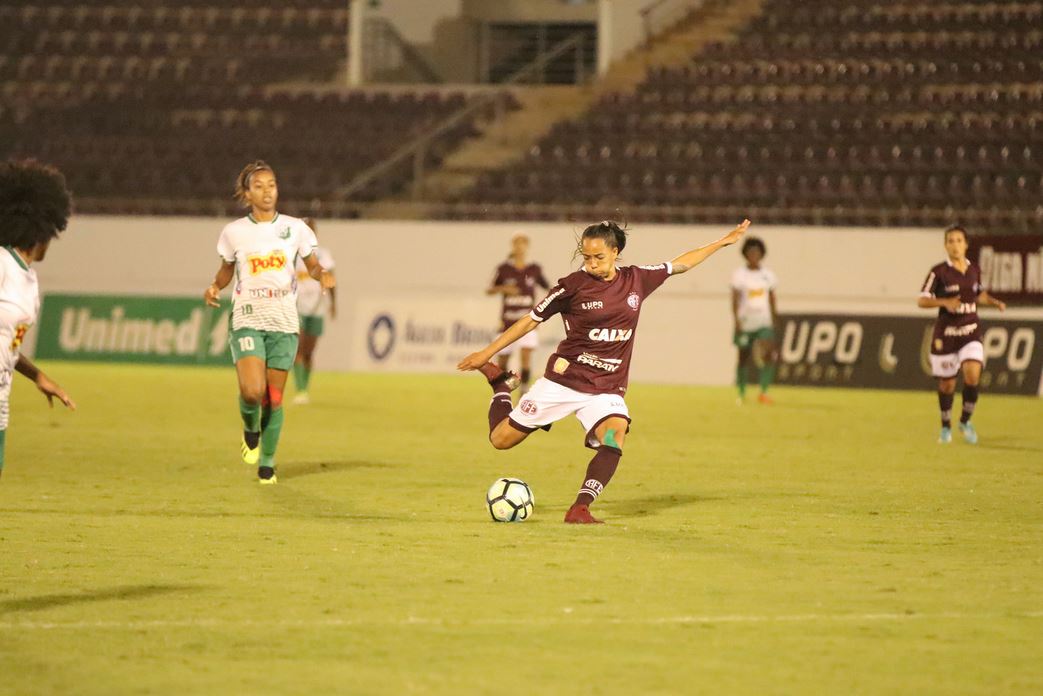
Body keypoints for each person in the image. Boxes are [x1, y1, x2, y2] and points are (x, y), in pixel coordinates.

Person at [459, 219, 751, 523]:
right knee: (501, 440)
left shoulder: (637, 279)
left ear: (616, 252)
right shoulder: (571, 286)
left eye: (599, 257)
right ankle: (500, 384)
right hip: (564, 381)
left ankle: (580, 508)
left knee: (615, 436)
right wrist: (487, 354)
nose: (592, 263)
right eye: (586, 257)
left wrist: (723, 242)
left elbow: (680, 264)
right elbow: (530, 320)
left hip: (607, 388)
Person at [203, 161, 335, 484]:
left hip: (283, 320)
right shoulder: (234, 232)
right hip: (248, 316)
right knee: (252, 391)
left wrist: (322, 275)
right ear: (247, 194)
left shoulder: (295, 229)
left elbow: (313, 265)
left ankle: (267, 463)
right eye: (259, 186)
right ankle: (250, 429)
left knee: (273, 398)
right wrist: (214, 286)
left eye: (272, 185)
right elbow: (226, 270)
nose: (267, 191)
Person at [0, 159, 77, 479]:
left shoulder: (27, 279)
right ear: (43, 230)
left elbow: (8, 343)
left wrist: (38, 376)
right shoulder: (2, 263)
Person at [918, 224, 1005, 445]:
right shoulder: (938, 272)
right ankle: (946, 426)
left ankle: (965, 421)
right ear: (946, 246)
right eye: (950, 241)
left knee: (972, 373)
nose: (954, 245)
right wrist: (944, 301)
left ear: (966, 244)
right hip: (946, 335)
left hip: (970, 331)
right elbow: (922, 300)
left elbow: (978, 294)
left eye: (958, 240)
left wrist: (992, 302)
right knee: (947, 385)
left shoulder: (973, 269)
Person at [486, 233, 549, 393]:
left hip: (527, 321)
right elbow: (490, 289)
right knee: (502, 361)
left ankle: (524, 391)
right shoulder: (503, 269)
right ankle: (503, 389)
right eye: (517, 244)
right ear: (512, 246)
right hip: (507, 321)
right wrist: (504, 288)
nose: (520, 248)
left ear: (527, 247)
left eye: (523, 244)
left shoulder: (534, 269)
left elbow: (548, 288)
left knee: (526, 356)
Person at [292, 217, 336, 405]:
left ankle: (305, 388)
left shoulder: (323, 255)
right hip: (297, 307)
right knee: (298, 349)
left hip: (317, 307)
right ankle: (300, 390)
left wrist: (334, 304)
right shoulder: (292, 256)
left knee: (310, 352)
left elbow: (331, 280)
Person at [731, 237, 778, 404]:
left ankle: (763, 392)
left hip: (763, 321)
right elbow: (735, 299)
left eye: (757, 252)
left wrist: (774, 318)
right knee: (743, 356)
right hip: (745, 321)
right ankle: (742, 393)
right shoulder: (739, 275)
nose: (754, 255)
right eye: (751, 252)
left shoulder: (768, 275)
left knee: (768, 355)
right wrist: (736, 320)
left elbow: (772, 298)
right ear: (745, 255)